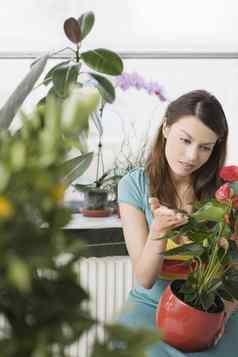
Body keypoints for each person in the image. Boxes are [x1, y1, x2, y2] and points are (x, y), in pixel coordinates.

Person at [116, 90, 238, 356]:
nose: (192, 156)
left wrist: (222, 317)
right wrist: (159, 230)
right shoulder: (134, 186)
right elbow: (145, 278)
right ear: (166, 127)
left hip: (214, 309)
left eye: (205, 147)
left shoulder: (228, 193)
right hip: (151, 308)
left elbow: (234, 271)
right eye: (185, 140)